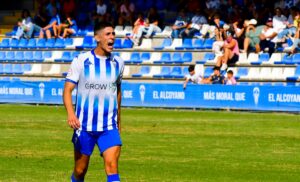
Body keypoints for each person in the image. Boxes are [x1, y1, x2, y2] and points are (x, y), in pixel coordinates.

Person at [63, 22, 124, 182]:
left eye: (113, 34)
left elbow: (117, 90)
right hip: (84, 126)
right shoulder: (81, 60)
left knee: (112, 167)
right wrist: (71, 114)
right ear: (97, 37)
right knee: (80, 170)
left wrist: (118, 119)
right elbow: (67, 90)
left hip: (108, 127)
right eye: (108, 34)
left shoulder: (118, 63)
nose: (112, 37)